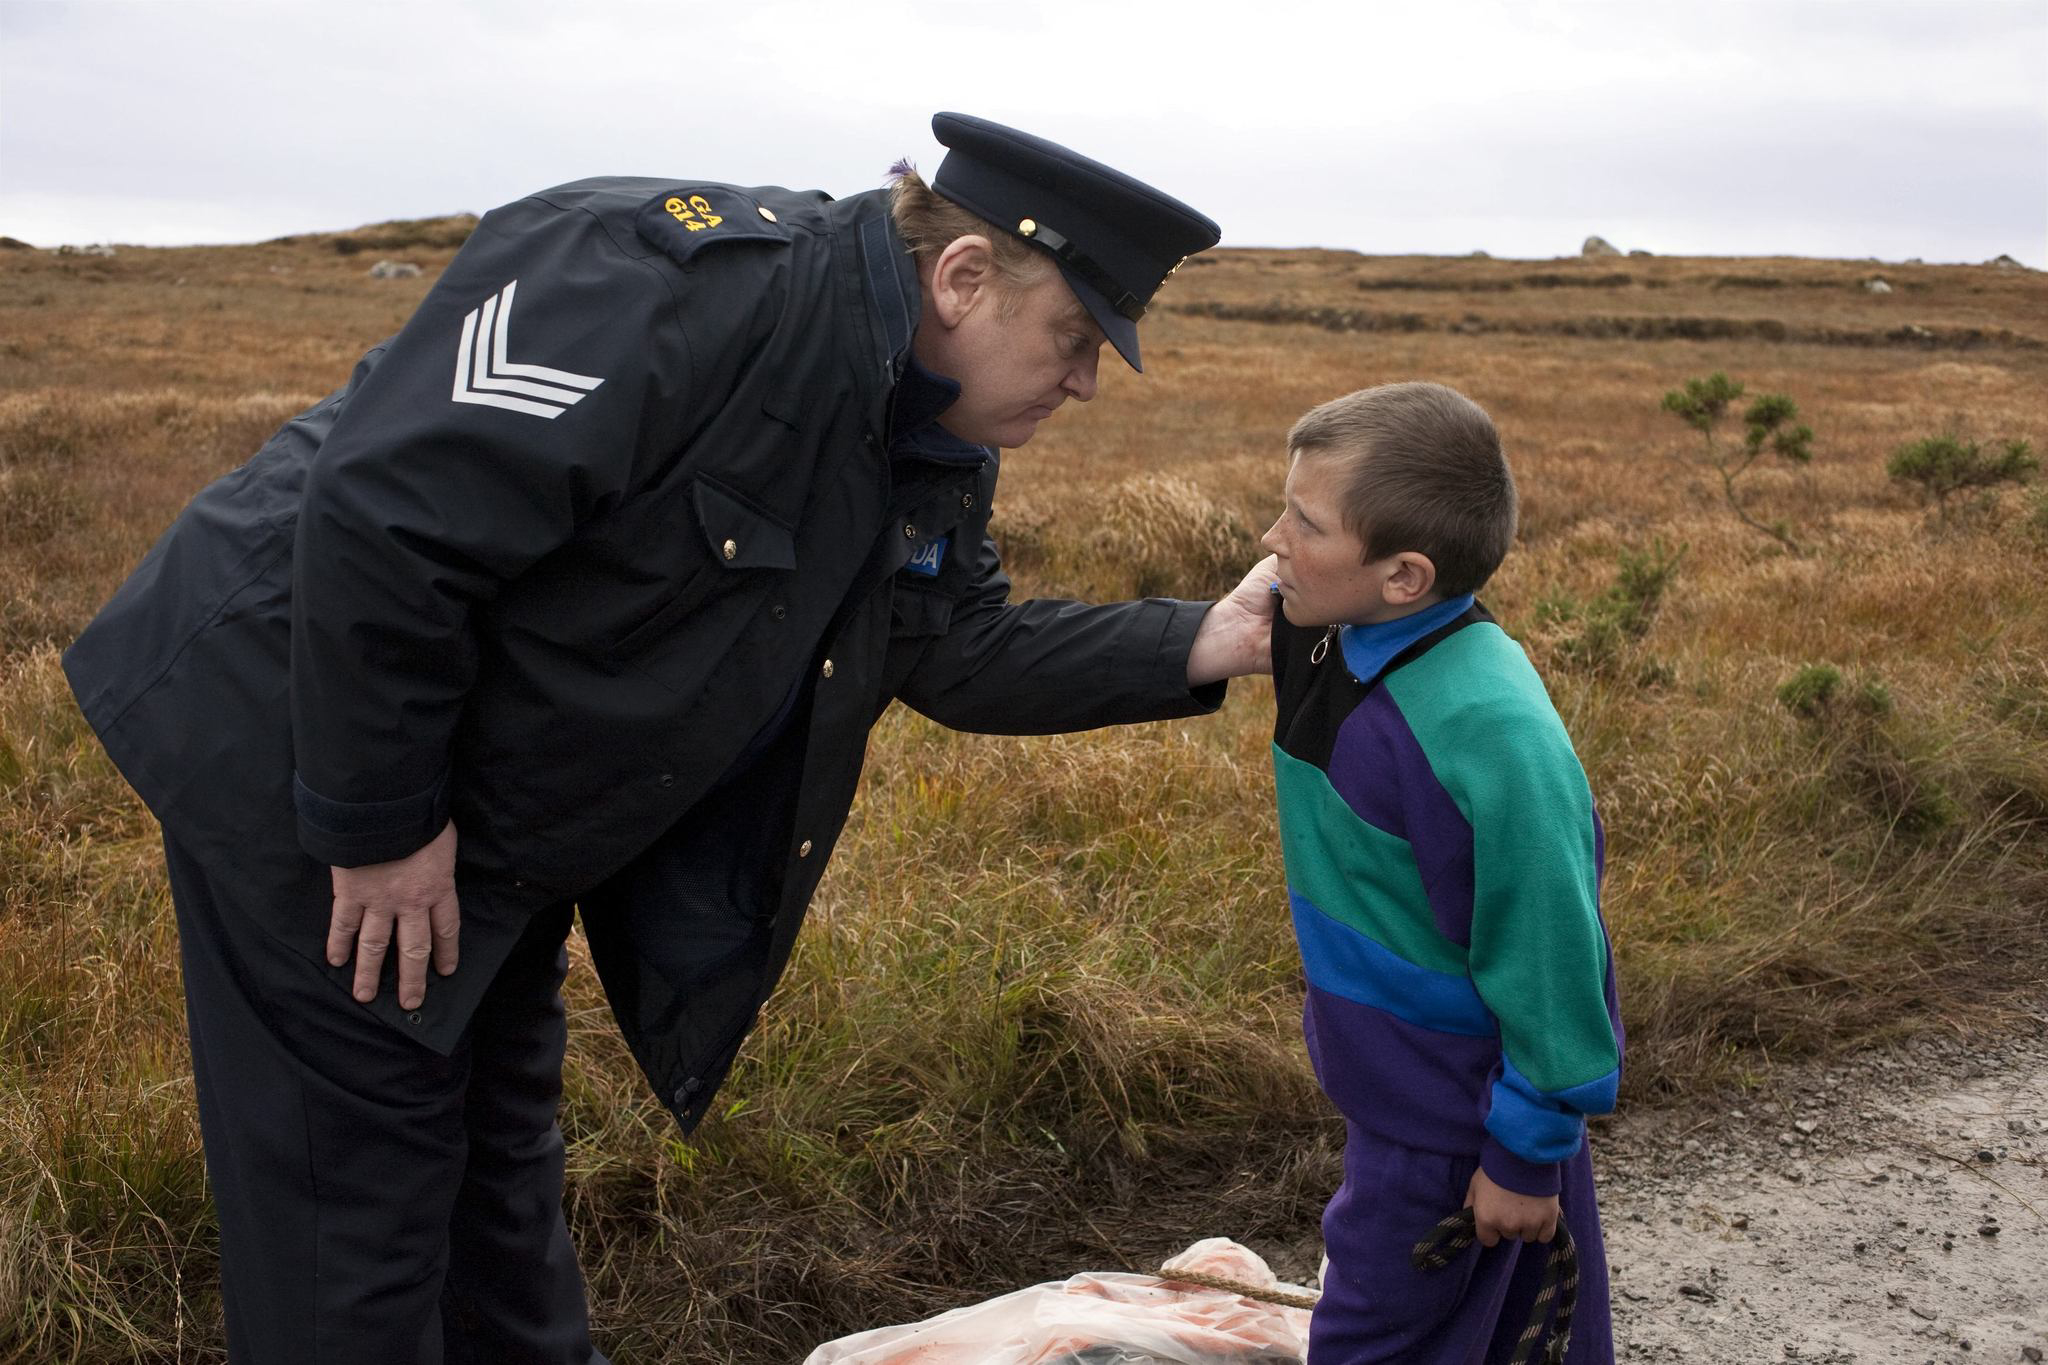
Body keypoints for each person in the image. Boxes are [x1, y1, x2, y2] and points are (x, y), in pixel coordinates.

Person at [62, 112, 1277, 1363]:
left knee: (498, 1181)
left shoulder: (929, 430)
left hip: (498, 821)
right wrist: (375, 830)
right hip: (308, 753)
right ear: (963, 279)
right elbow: (384, 522)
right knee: (355, 1216)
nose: (1084, 381)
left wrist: (1211, 639)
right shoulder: (652, 284)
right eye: (1075, 340)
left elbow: (949, 646)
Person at [1259, 382, 1623, 1364]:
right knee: (1505, 1341)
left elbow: (1551, 947)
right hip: (1417, 1096)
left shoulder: (1487, 731)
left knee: (1371, 1341)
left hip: (1451, 1122)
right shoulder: (1349, 632)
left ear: (1403, 575)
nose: (1270, 537)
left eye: (1302, 521)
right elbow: (1263, 615)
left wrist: (1521, 1151)